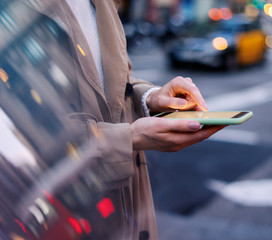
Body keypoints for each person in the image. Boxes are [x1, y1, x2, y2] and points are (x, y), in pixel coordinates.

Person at [33, 0, 225, 239]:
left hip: (129, 205)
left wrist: (151, 97)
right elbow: (23, 134)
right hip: (63, 212)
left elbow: (120, 80)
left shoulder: (104, 4)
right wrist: (129, 138)